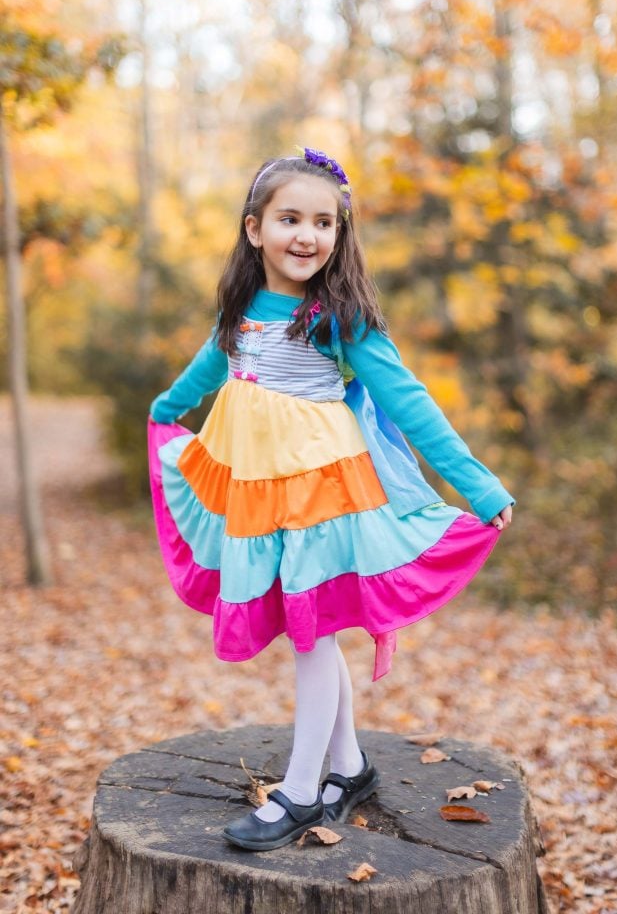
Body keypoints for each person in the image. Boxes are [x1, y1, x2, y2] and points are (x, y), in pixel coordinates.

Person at [148, 146, 514, 852]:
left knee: (312, 631)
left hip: (320, 489)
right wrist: (167, 407)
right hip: (255, 486)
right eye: (290, 218)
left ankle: (301, 789)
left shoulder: (337, 315)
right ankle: (348, 767)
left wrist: (476, 483)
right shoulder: (241, 306)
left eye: (324, 222)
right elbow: (209, 365)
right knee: (305, 625)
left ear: (338, 235)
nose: (307, 235)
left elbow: (408, 401)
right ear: (254, 228)